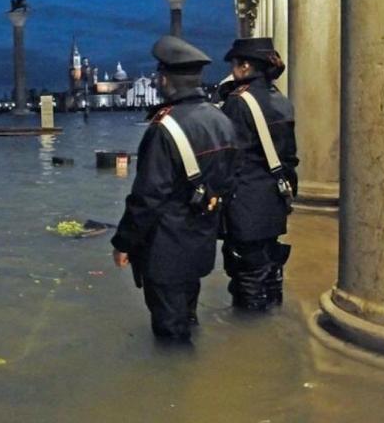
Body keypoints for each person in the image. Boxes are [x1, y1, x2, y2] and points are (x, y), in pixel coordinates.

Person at [111, 35, 238, 342]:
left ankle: (176, 380)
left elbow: (147, 198)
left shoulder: (163, 128)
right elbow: (230, 179)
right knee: (187, 312)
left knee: (170, 330)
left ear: (165, 79)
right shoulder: (221, 119)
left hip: (166, 247)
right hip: (201, 238)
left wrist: (123, 242)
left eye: (159, 76)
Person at [220, 37, 298, 311]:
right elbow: (290, 156)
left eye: (234, 64)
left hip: (246, 202)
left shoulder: (238, 102)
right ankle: (273, 325)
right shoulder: (281, 100)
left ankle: (249, 337)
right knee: (270, 264)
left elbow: (229, 160)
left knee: (247, 275)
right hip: (275, 198)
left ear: (244, 66)